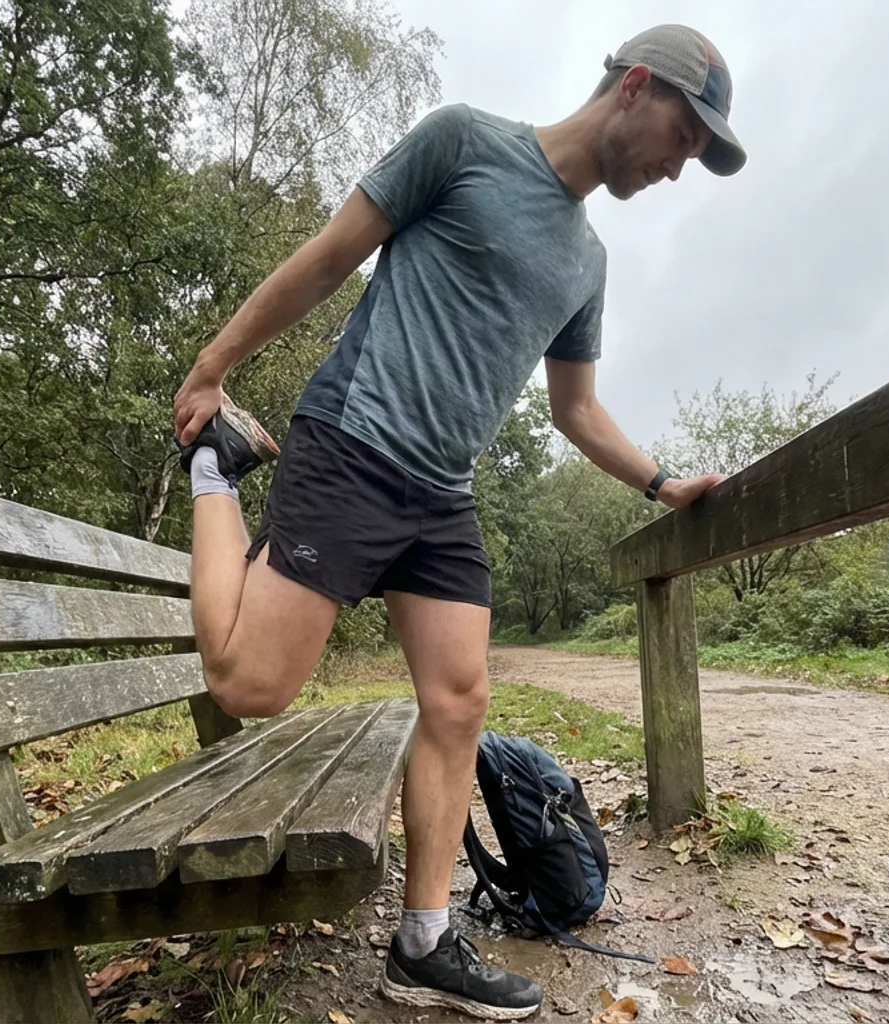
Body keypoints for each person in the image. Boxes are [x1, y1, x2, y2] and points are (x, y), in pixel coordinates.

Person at [172, 23, 745, 1021]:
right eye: (682, 140)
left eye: (694, 157)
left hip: (442, 493)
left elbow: (575, 412)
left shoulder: (588, 263)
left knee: (459, 696)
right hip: (353, 440)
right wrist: (213, 368)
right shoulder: (464, 143)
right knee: (251, 683)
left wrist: (662, 484)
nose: (675, 168)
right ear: (636, 88)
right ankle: (214, 473)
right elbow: (326, 258)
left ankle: (425, 940)